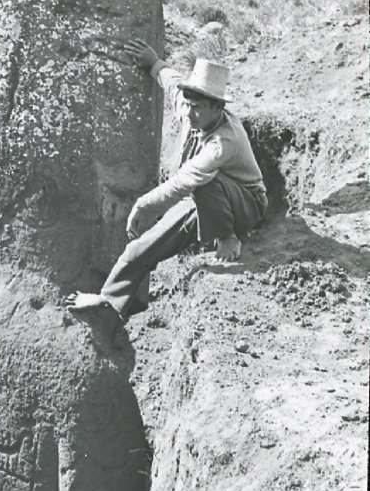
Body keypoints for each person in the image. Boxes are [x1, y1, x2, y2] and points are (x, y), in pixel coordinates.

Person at [66, 37, 267, 327]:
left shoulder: (224, 142)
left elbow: (187, 181)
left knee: (205, 181)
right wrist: (155, 63)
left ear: (217, 107)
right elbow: (172, 82)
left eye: (198, 106)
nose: (191, 111)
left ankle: (227, 237)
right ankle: (110, 301)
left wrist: (143, 206)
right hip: (200, 200)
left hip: (244, 205)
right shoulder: (191, 112)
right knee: (139, 249)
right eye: (190, 104)